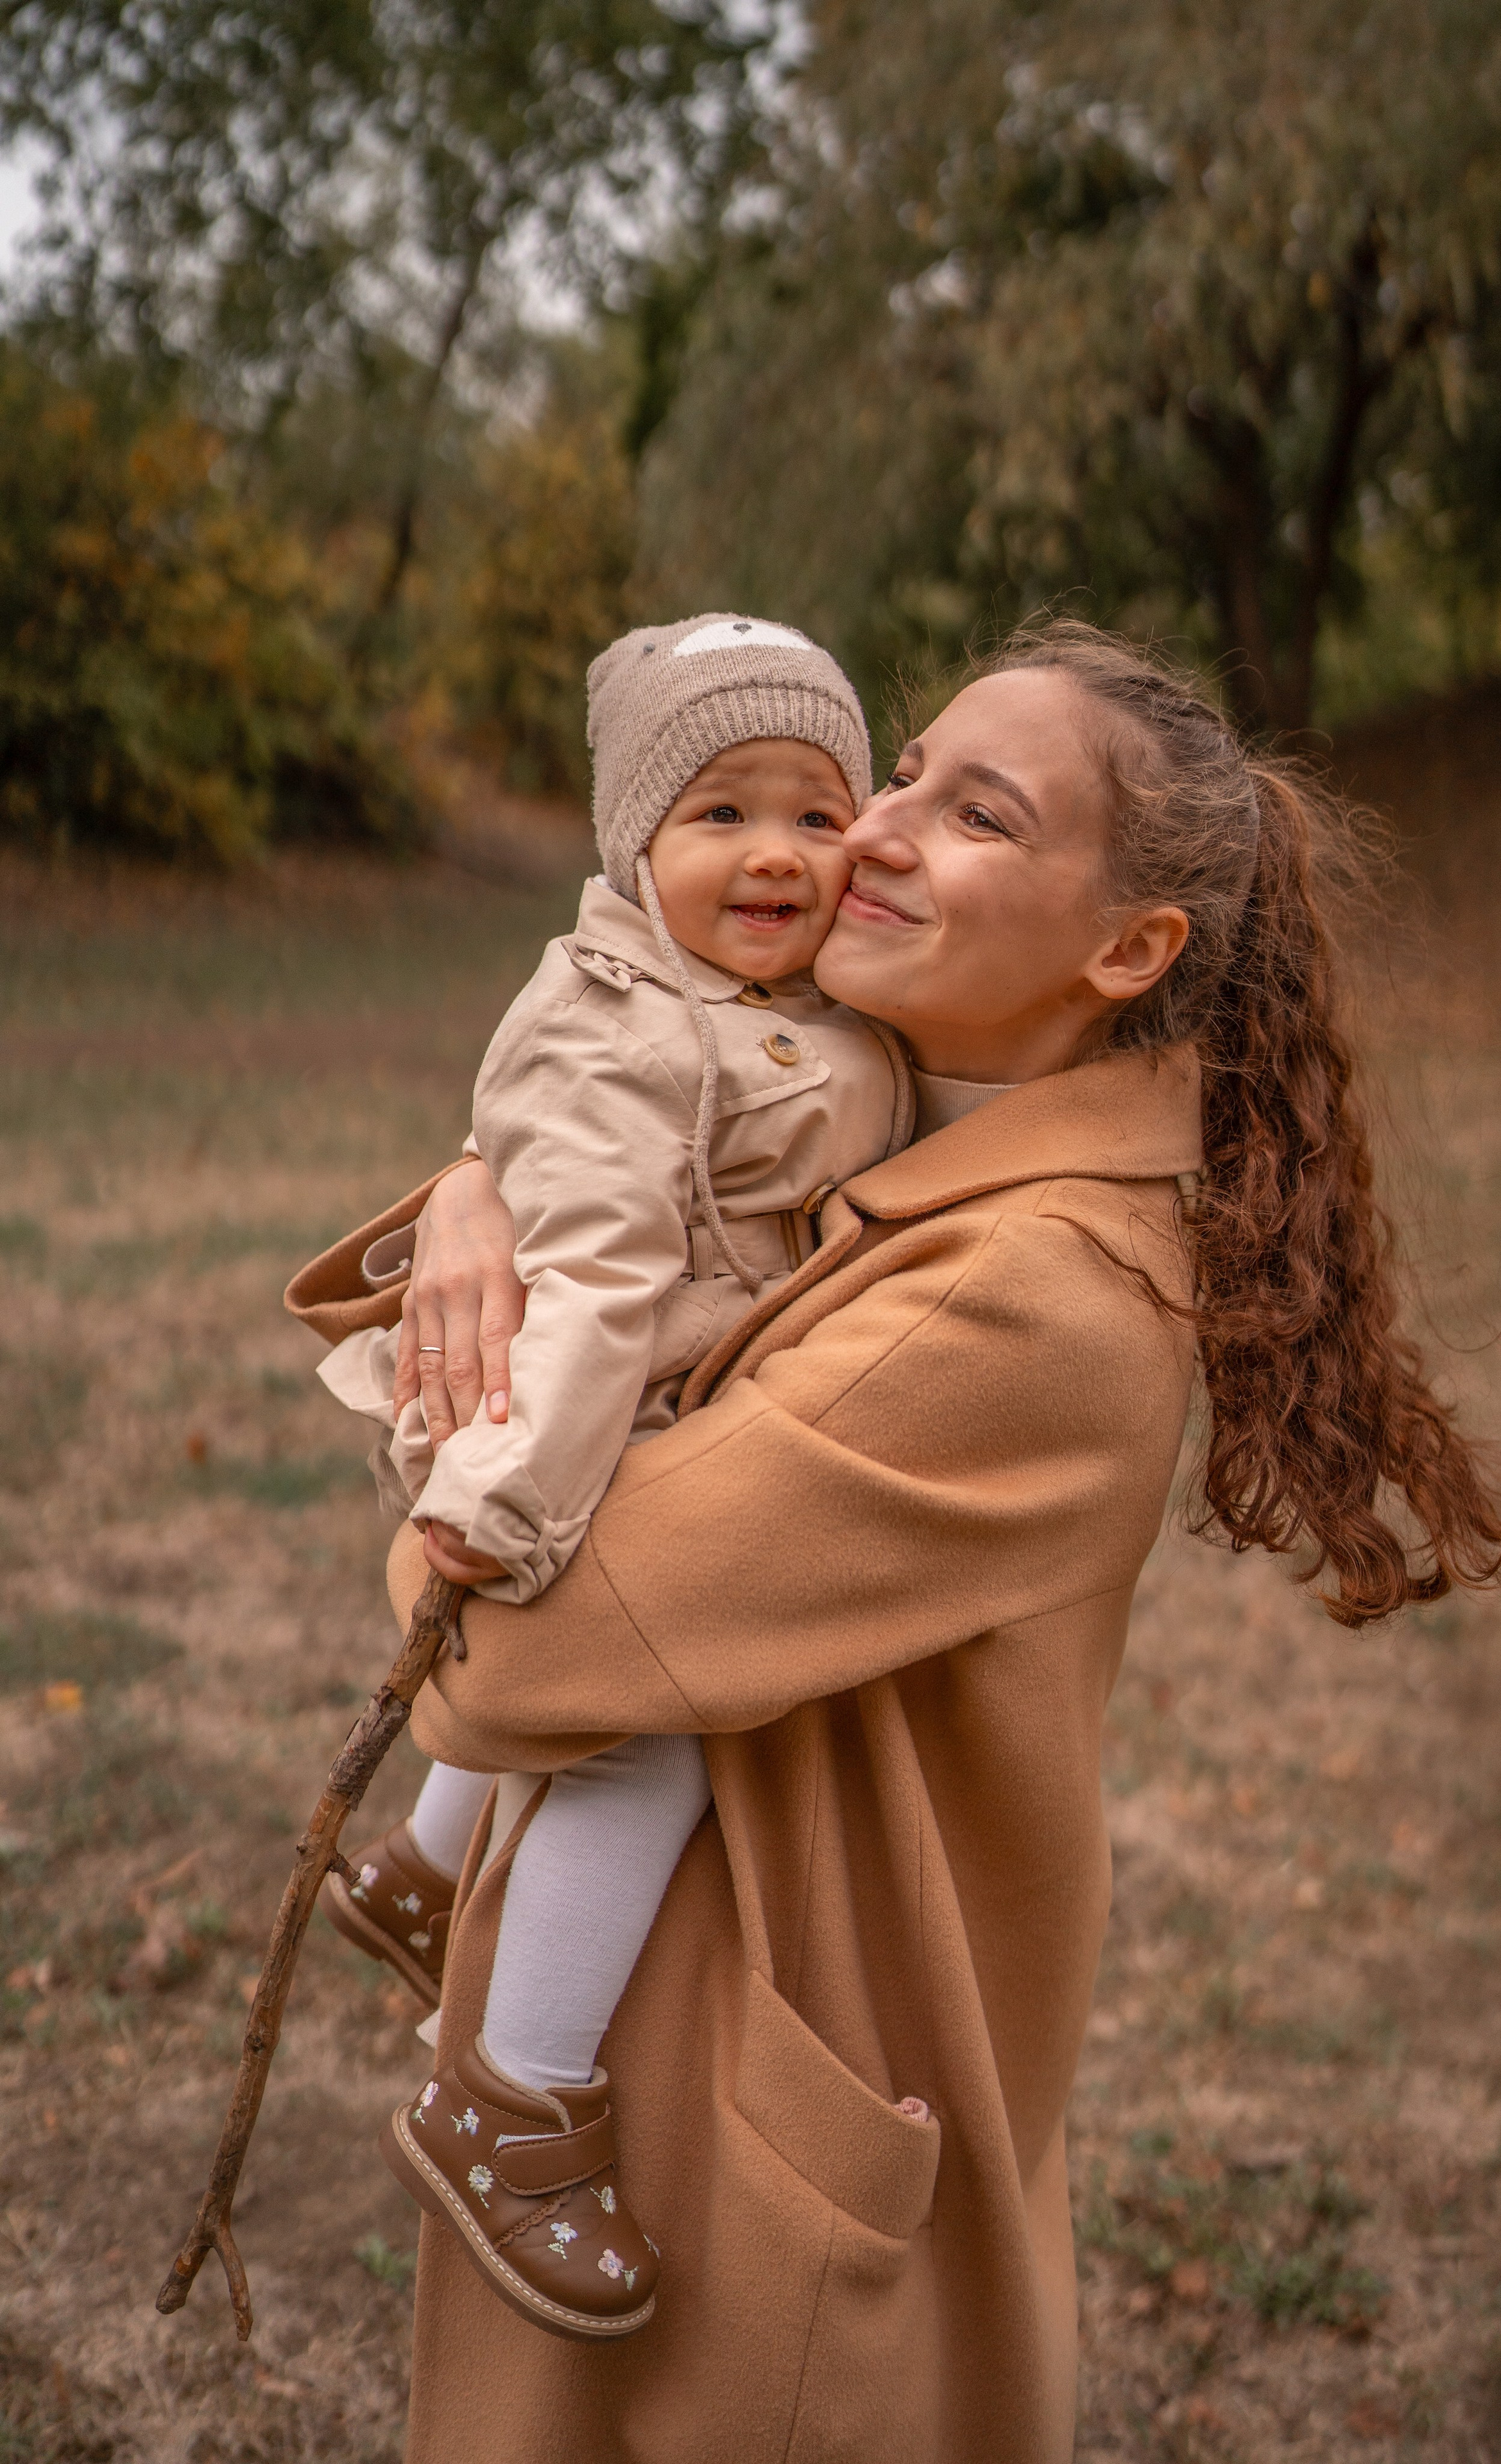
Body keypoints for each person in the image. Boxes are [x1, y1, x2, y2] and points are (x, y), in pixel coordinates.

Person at [287, 620, 1501, 2464]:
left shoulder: (1022, 1301)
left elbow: (516, 1644)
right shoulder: (894, 1129)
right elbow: (640, 1138)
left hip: (764, 2138)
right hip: (693, 2045)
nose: (869, 831)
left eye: (977, 814)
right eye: (902, 770)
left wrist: (458, 1411)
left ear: (1125, 951)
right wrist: (490, 1183)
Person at [300, 615, 914, 2337]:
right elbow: (584, 1299)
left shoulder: (769, 1003)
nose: (777, 851)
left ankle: (421, 1868)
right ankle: (509, 2100)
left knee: (619, 1724)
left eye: (816, 809)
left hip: (650, 1416)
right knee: (652, 1742)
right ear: (632, 849)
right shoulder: (625, 1037)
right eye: (722, 814)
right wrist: (504, 1506)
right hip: (582, 1438)